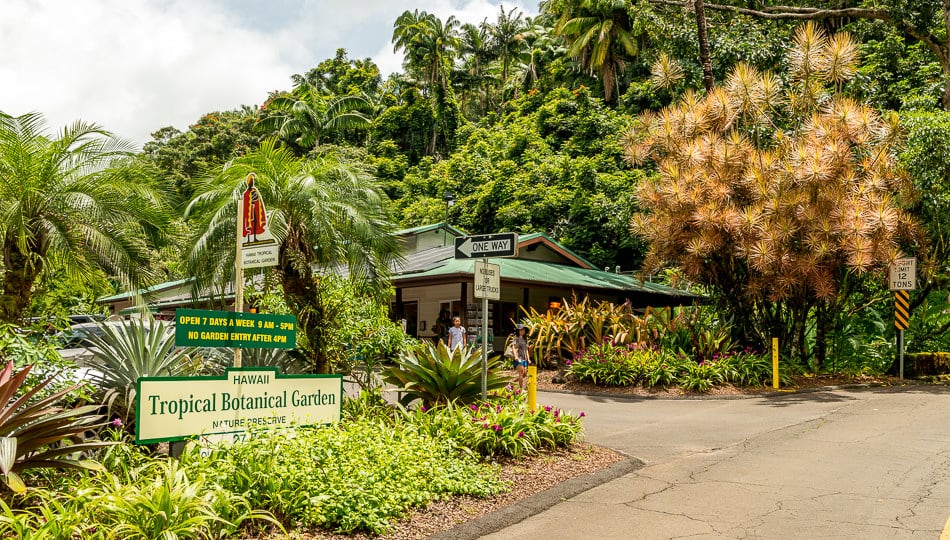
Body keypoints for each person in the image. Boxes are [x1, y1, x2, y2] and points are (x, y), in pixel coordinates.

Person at [510, 324, 530, 390]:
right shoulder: (516, 338)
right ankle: (521, 389)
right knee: (521, 373)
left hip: (524, 359)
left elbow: (526, 349)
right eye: (521, 330)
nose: (522, 331)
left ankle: (511, 383)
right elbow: (513, 347)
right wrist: (516, 356)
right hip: (519, 358)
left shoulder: (525, 339)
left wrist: (528, 358)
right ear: (518, 331)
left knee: (525, 374)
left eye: (523, 330)